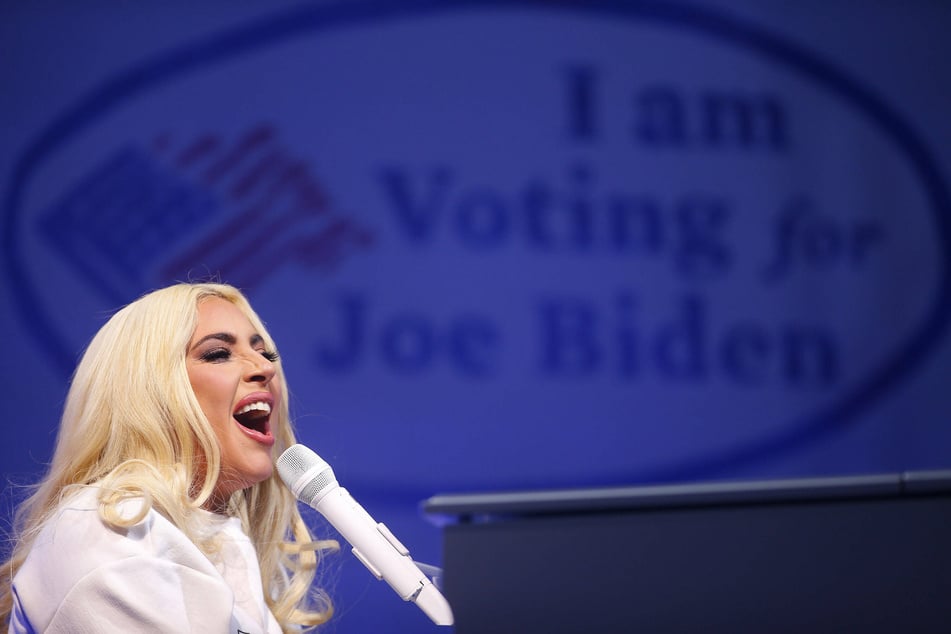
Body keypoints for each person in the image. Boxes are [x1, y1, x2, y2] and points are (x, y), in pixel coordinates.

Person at [0, 282, 336, 633]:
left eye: (266, 354)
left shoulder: (223, 545)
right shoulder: (113, 532)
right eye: (218, 354)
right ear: (147, 393)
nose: (265, 369)